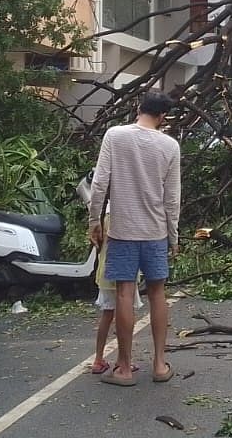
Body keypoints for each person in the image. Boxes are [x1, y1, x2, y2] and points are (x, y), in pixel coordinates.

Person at [88, 91, 181, 387]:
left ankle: (124, 368)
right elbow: (172, 198)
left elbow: (100, 182)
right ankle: (159, 364)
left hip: (123, 230)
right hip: (155, 231)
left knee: (125, 293)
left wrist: (94, 220)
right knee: (157, 293)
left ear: (137, 108)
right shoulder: (170, 145)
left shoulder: (115, 136)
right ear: (163, 117)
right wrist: (173, 235)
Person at [89, 206, 143, 375]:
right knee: (126, 312)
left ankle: (98, 359)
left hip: (105, 270)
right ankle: (123, 360)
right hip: (125, 271)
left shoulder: (103, 219)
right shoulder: (128, 215)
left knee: (107, 314)